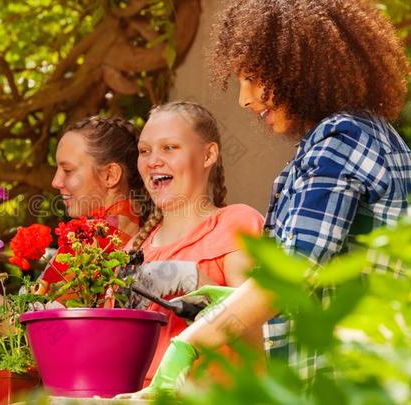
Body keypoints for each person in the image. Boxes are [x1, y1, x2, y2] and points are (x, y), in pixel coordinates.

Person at [118, 0, 411, 398]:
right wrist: (228, 298)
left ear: (300, 67)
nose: (244, 98)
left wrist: (185, 348)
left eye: (253, 77)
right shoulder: (345, 140)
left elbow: (285, 279)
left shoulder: (341, 139)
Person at [0, 116, 146, 328]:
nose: (56, 181)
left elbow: (26, 332)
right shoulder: (132, 230)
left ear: (110, 175)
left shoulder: (101, 242)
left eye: (68, 170)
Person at [126, 101, 265, 385]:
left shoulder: (236, 224)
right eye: (144, 151)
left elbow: (263, 340)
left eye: (169, 147)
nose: (153, 161)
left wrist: (200, 286)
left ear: (208, 154)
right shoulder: (130, 252)